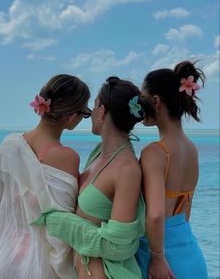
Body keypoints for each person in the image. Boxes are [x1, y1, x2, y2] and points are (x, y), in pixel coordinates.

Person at [34, 76, 155, 279]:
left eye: (95, 105)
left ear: (102, 111)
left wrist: (56, 221)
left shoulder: (127, 169)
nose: (89, 114)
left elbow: (118, 245)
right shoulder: (99, 152)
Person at [0, 74, 91, 279]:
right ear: (70, 115)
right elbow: (61, 228)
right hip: (40, 266)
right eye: (84, 112)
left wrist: (4, 242)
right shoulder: (67, 157)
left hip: (3, 261)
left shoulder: (8, 146)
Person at [136, 61, 208, 279]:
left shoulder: (155, 151)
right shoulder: (191, 149)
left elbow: (156, 214)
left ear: (156, 101)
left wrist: (157, 257)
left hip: (164, 262)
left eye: (142, 99)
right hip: (192, 255)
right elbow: (186, 212)